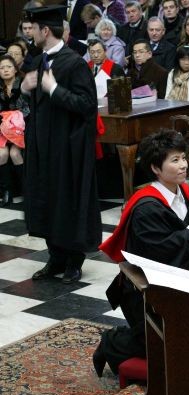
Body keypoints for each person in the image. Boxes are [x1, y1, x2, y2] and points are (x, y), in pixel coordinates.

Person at [95, 129, 189, 376]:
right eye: (174, 160)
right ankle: (111, 342)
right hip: (145, 290)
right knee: (160, 343)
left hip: (183, 282)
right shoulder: (146, 207)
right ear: (156, 168)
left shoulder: (188, 194)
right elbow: (161, 254)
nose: (183, 165)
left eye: (183, 157)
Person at [21, 5, 102, 284]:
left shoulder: (74, 63)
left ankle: (73, 261)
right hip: (42, 145)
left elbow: (87, 104)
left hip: (67, 148)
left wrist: (54, 89)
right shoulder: (38, 60)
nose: (30, 34)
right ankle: (55, 257)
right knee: (46, 199)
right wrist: (26, 89)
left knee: (67, 200)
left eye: (34, 29)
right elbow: (36, 102)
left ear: (45, 31)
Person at [0, 55, 29, 207]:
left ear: (15, 69)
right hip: (2, 129)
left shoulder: (23, 85)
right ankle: (7, 192)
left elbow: (28, 110)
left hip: (21, 128)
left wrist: (13, 118)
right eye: (2, 68)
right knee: (2, 154)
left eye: (9, 67)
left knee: (15, 153)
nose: (5, 70)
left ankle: (27, 191)